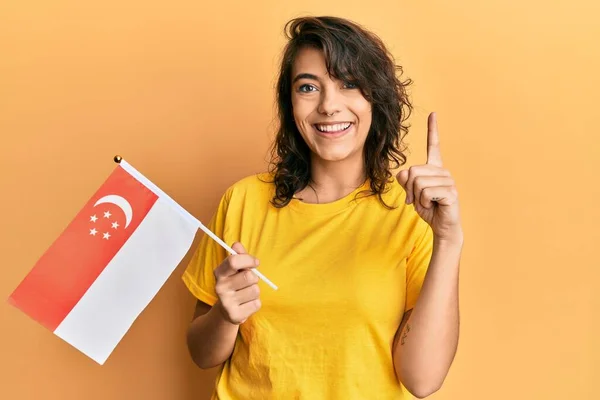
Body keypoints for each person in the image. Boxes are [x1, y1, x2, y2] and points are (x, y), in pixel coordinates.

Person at [183, 15, 463, 400]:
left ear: (376, 98)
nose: (329, 106)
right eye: (309, 87)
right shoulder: (243, 201)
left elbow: (422, 379)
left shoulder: (412, 212)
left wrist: (447, 239)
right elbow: (201, 354)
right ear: (290, 103)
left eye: (349, 83)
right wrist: (226, 316)